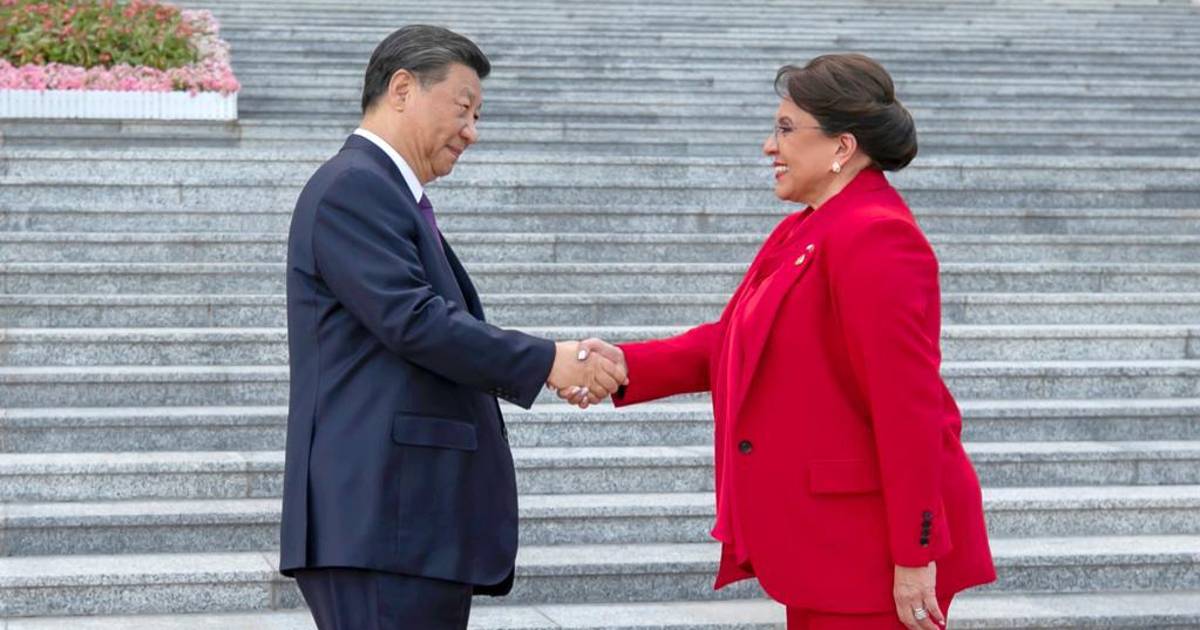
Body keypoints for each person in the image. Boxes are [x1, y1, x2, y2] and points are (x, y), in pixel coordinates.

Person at [564, 53, 996, 629]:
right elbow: (734, 340)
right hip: (829, 541)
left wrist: (916, 554)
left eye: (786, 129)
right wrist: (626, 364)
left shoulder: (877, 236)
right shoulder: (809, 226)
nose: (771, 147)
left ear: (842, 147)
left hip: (871, 549)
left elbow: (907, 406)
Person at [279, 25, 627, 629]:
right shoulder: (354, 186)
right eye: (463, 109)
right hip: (381, 521)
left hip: (401, 525)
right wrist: (548, 360)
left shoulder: (382, 190)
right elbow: (414, 320)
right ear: (403, 89)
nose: (472, 131)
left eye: (477, 116)